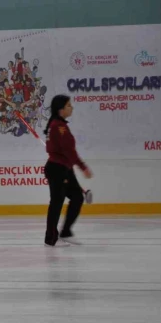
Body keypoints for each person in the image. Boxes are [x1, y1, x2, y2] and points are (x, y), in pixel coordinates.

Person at [43, 94, 93, 247]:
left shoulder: (58, 125)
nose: (72, 108)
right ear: (61, 109)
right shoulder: (58, 127)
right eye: (69, 105)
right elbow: (69, 151)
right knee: (57, 203)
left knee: (77, 197)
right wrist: (83, 167)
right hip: (58, 169)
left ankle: (65, 232)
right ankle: (51, 239)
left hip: (63, 168)